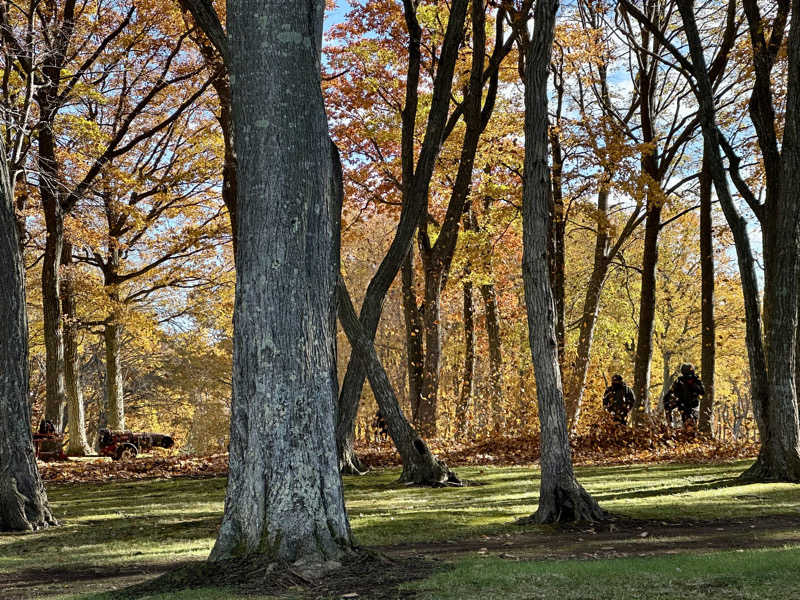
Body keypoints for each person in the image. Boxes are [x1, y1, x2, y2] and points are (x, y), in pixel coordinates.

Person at [663, 363, 705, 428]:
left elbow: (702, 392)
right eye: (686, 375)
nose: (688, 378)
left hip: (692, 405)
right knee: (668, 404)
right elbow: (670, 392)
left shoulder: (696, 380)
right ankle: (670, 424)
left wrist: (693, 385)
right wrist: (667, 400)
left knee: (689, 424)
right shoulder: (679, 380)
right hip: (681, 403)